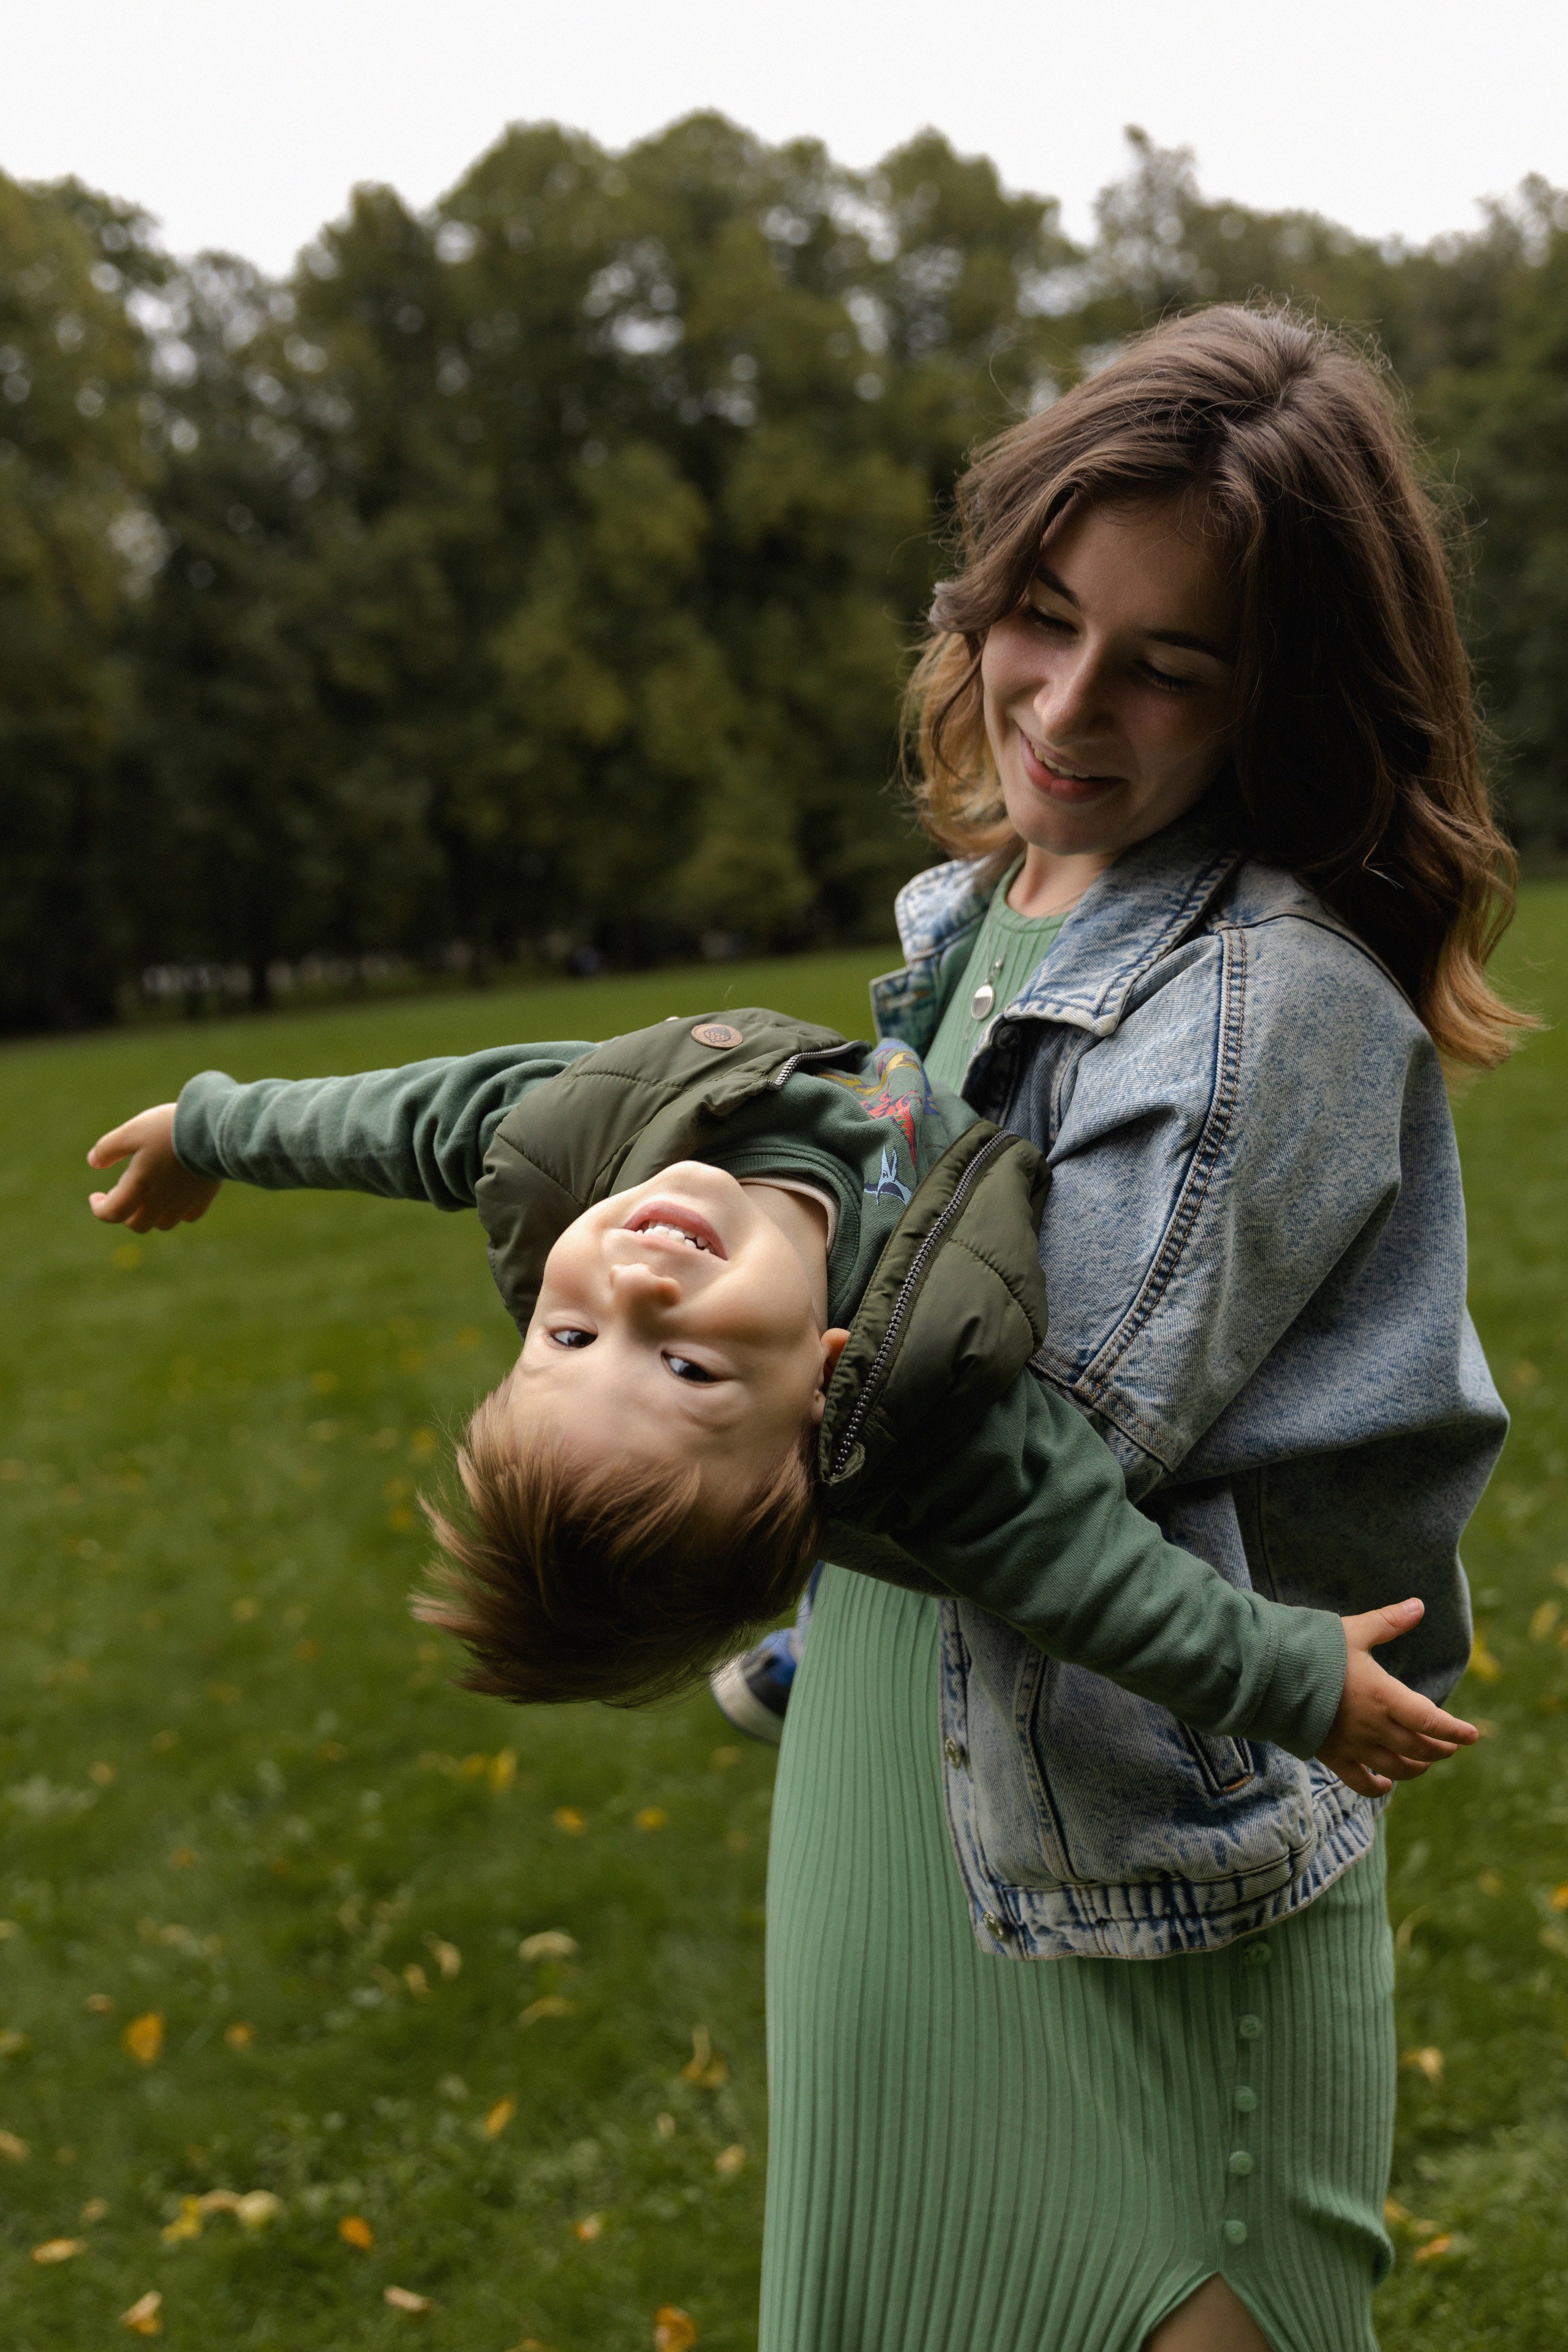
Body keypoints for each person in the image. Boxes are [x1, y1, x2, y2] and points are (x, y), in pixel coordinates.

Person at [761, 306, 1518, 2352]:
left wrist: (652, 1415)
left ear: (1284, 702)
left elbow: (1008, 1443)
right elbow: (874, 1237)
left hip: (1131, 1877)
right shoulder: (978, 918)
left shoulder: (1275, 1005)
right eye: (1043, 616)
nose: (1068, 705)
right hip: (895, 1778)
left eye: (1167, 666)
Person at [83, 1014, 1460, 1792]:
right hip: (910, 1295)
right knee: (914, 1545)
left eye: (564, 1332)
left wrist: (204, 1127)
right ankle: (811, 1616)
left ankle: (795, 1634)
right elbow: (1098, 1586)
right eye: (683, 1371)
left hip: (848, 1075)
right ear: (820, 1383)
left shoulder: (571, 1146)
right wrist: (1286, 1679)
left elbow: (392, 1121)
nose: (638, 1287)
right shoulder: (944, 1424)